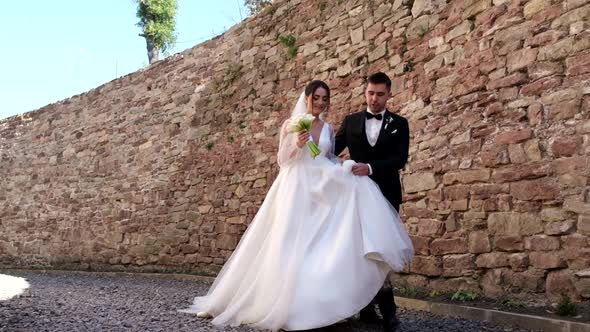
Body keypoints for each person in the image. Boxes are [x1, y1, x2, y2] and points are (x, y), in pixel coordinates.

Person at [180, 80, 413, 332]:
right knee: (291, 242)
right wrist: (297, 144)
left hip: (328, 188)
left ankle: (356, 308)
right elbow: (284, 160)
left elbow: (329, 156)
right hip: (296, 188)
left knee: (332, 244)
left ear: (388, 94)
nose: (321, 103)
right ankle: (285, 302)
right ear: (307, 98)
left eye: (325, 99)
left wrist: (348, 167)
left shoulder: (332, 127)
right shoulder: (295, 125)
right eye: (317, 98)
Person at [334, 72, 410, 332]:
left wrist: (370, 167)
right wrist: (304, 145)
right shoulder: (351, 121)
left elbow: (400, 159)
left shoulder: (400, 123)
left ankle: (389, 313)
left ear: (389, 94)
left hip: (386, 195)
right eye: (370, 93)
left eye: (380, 94)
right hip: (354, 197)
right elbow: (329, 151)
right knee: (358, 250)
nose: (374, 98)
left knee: (382, 252)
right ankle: (365, 309)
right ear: (365, 93)